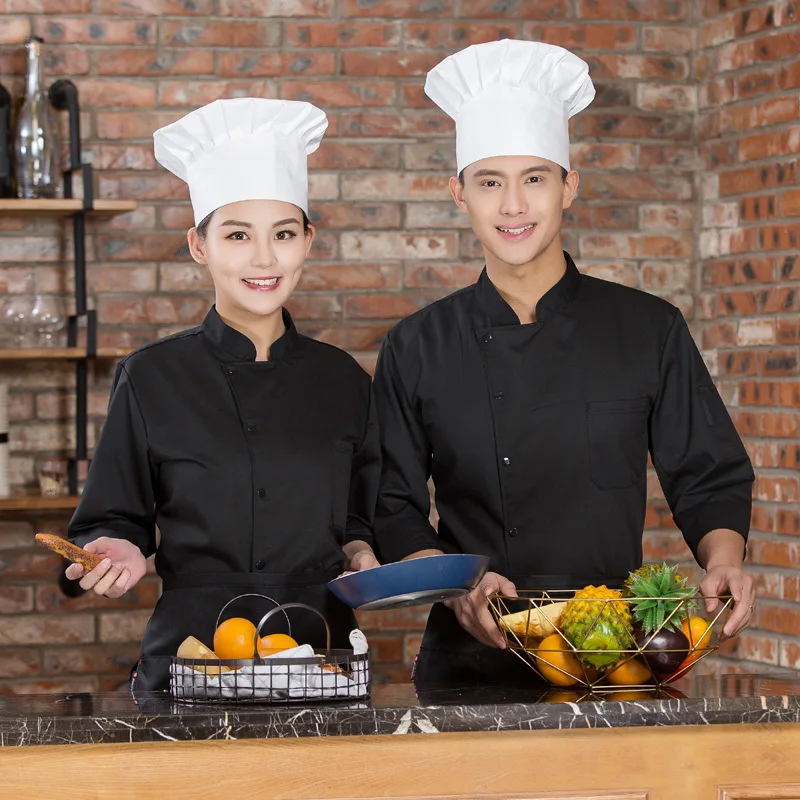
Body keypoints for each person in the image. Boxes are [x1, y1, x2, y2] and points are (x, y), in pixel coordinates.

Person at [372, 40, 756, 686]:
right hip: (470, 662)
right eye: (490, 182)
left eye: (535, 179)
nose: (514, 206)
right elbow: (392, 504)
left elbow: (709, 473)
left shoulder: (647, 329)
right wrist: (457, 585)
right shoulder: (416, 346)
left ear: (569, 186)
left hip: (617, 657)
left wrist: (725, 559)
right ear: (459, 193)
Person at [66, 97, 381, 692]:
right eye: (238, 234)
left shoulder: (345, 381)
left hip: (320, 658)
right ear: (199, 245)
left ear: (308, 242)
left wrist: (366, 549)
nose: (264, 257)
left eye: (283, 234)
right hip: (189, 658)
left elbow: (362, 517)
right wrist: (116, 547)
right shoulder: (150, 377)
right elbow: (113, 516)